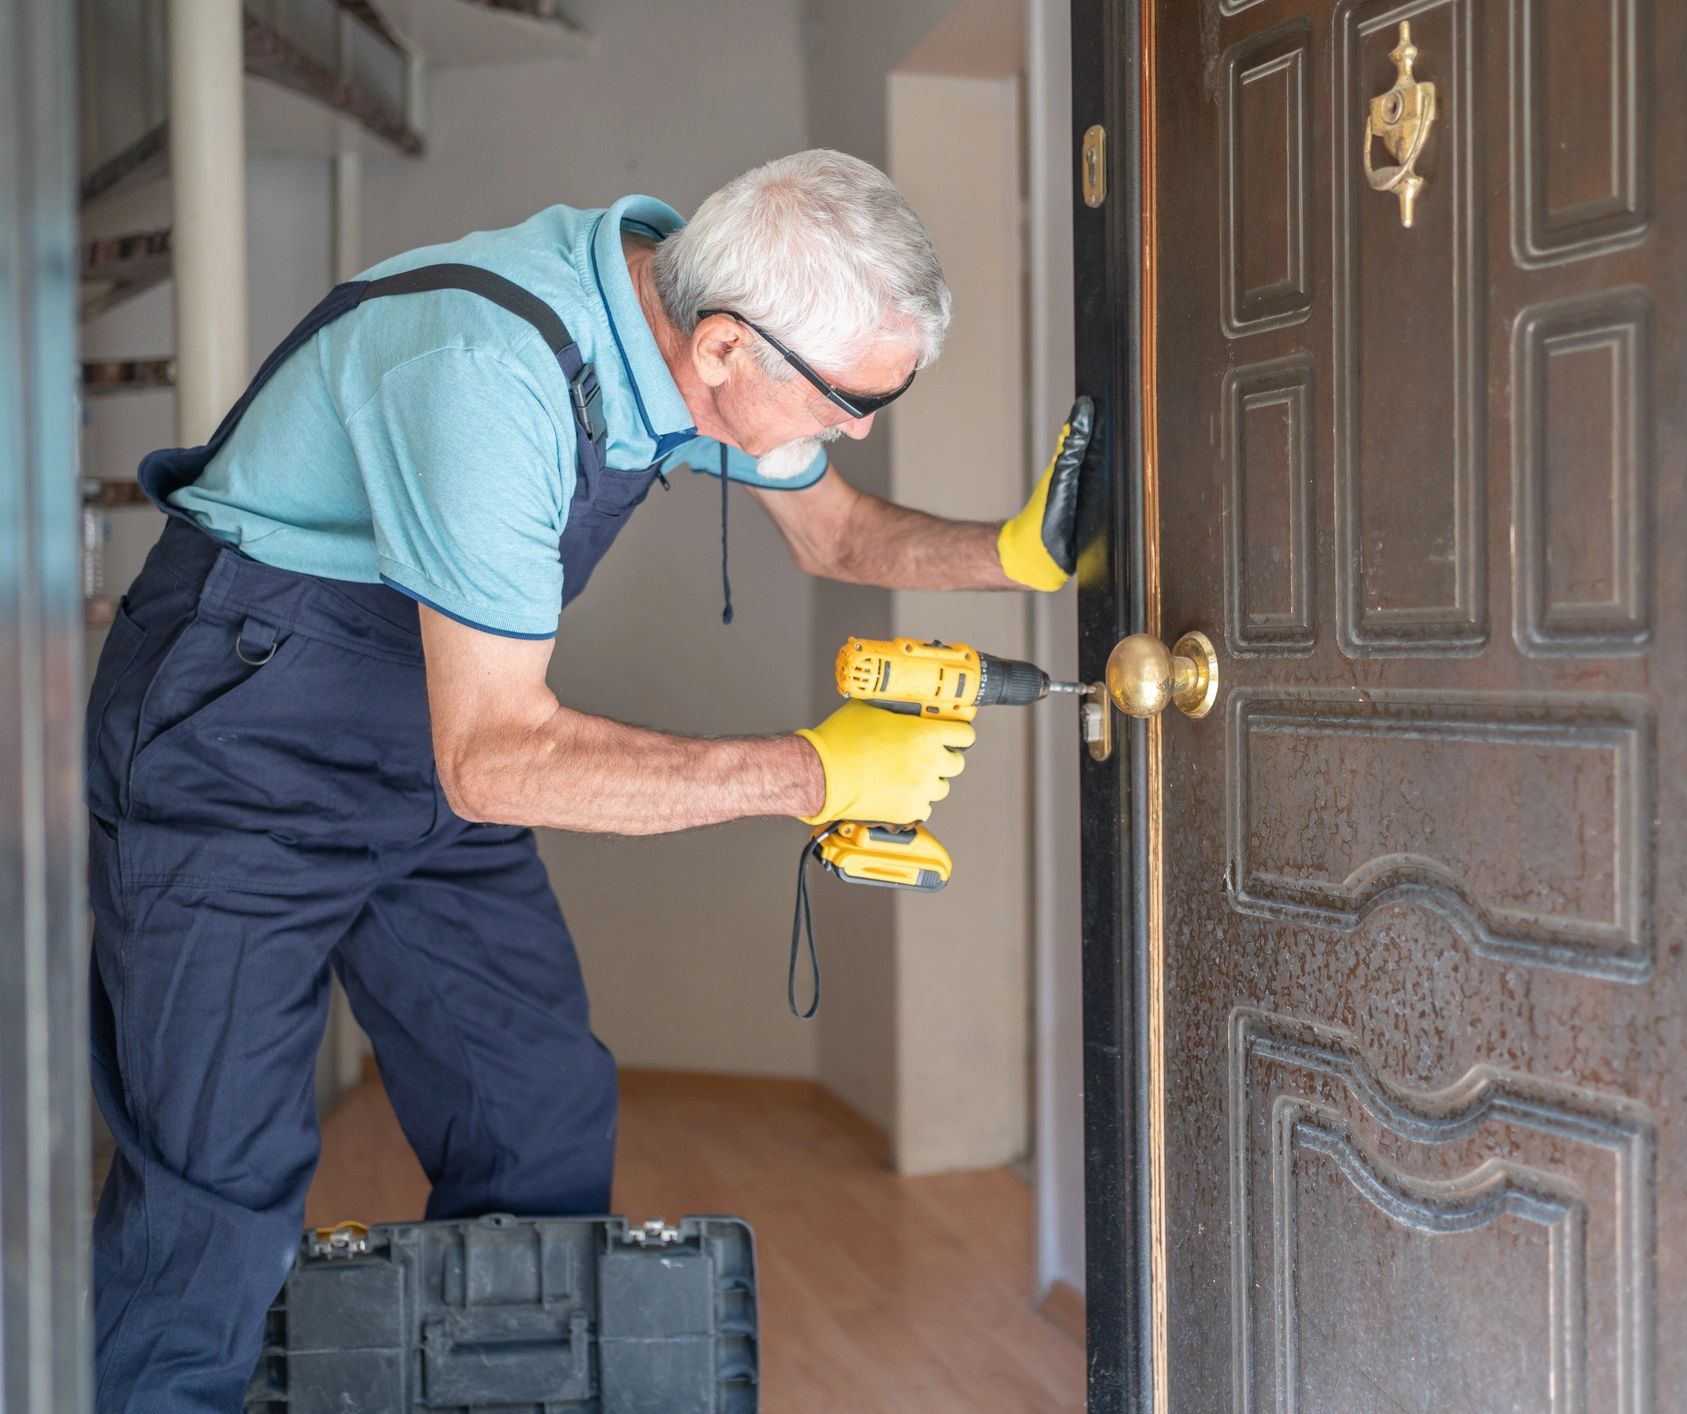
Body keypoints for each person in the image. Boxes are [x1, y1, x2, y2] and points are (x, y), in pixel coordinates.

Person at [82, 148, 1090, 1413]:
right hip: (240, 735)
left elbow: (838, 531)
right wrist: (808, 770)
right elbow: (497, 757)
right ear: (725, 350)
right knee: (215, 1187)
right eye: (848, 400)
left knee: (536, 1114)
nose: (857, 427)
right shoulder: (490, 367)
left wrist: (1023, 554)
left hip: (428, 735)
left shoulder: (676, 319)